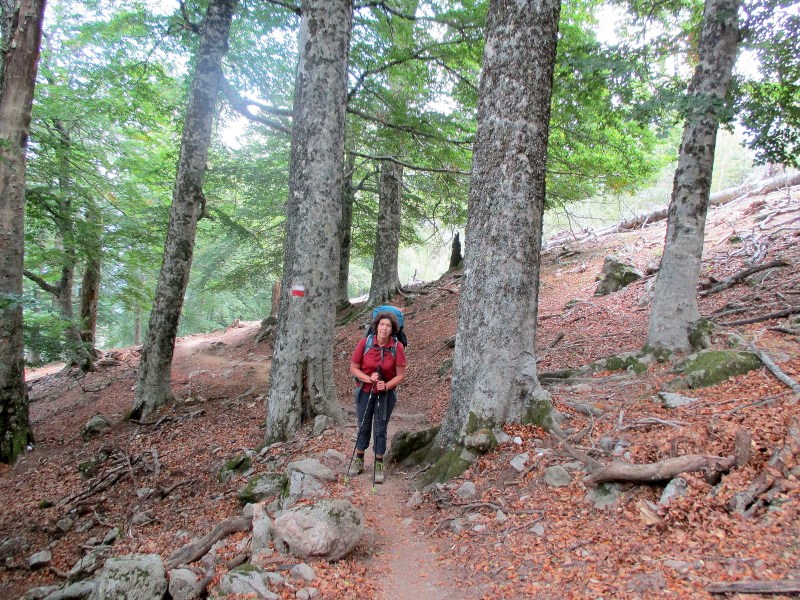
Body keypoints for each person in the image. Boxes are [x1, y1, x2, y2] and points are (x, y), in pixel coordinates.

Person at [348, 311, 407, 483]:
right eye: (382, 324)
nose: (384, 328)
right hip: (365, 391)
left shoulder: (397, 347)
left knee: (380, 429)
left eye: (388, 326)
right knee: (363, 425)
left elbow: (401, 374)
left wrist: (386, 385)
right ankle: (358, 460)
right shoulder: (365, 343)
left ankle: (378, 465)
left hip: (386, 394)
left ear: (392, 329)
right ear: (376, 326)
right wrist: (368, 378)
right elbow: (354, 367)